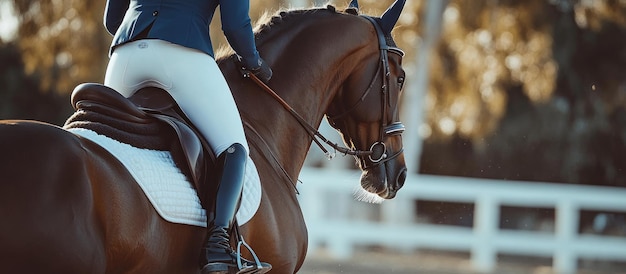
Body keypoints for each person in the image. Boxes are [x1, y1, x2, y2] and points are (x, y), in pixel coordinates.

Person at [103, 0, 272, 273]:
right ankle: (217, 246)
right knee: (233, 147)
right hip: (181, 52)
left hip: (125, 56)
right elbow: (234, 25)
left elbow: (112, 21)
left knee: (99, 144)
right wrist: (254, 61)